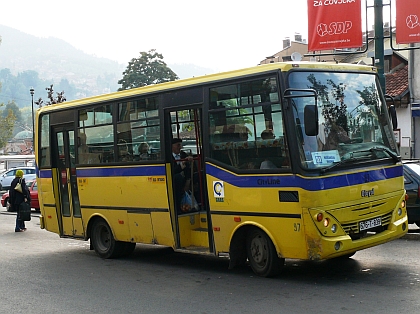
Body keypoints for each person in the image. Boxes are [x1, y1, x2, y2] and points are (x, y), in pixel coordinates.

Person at [172, 138, 193, 213]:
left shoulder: (183, 154)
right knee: (178, 178)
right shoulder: (168, 156)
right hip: (173, 180)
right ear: (172, 146)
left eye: (180, 145)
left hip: (184, 179)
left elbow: (188, 169)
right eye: (178, 145)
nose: (180, 147)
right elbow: (171, 171)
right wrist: (181, 166)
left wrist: (188, 181)